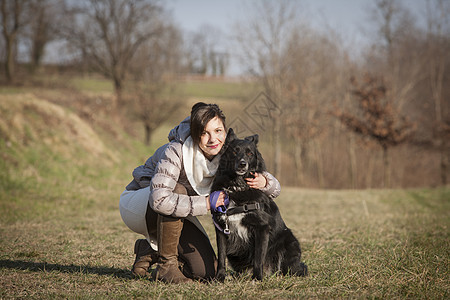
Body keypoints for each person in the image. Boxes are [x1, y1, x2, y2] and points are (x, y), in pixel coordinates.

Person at [119, 102, 281, 283]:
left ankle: (150, 250)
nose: (213, 139)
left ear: (225, 131)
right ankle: (167, 267)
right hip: (139, 205)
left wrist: (266, 182)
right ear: (196, 134)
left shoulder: (226, 153)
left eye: (218, 131)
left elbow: (271, 184)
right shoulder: (176, 150)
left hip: (179, 212)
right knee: (176, 189)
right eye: (205, 133)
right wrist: (206, 203)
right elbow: (160, 199)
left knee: (207, 272)